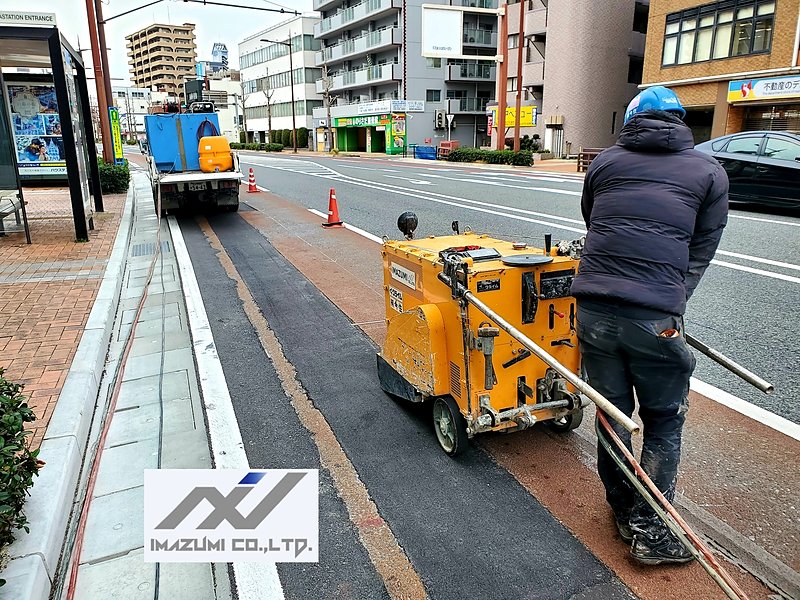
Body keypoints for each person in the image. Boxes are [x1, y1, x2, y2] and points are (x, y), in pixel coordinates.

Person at [571, 86, 729, 565]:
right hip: (654, 317)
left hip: (593, 310)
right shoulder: (708, 170)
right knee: (663, 421)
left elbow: (592, 218)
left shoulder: (604, 162)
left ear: (633, 120)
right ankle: (652, 533)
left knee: (612, 416)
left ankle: (622, 511)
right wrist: (672, 298)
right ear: (680, 120)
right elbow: (703, 244)